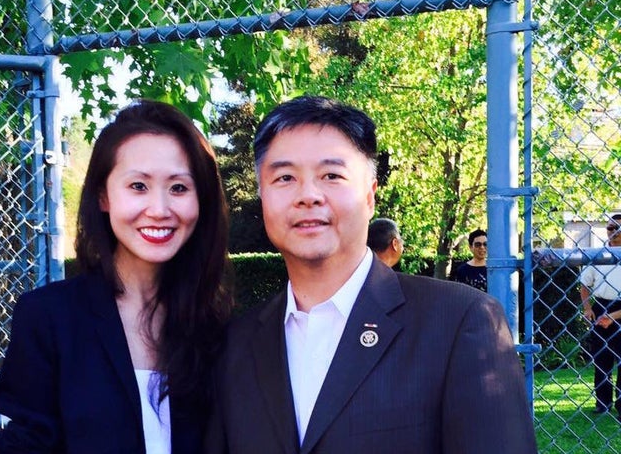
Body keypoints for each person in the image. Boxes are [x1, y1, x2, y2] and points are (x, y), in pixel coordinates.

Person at [206, 96, 537, 453]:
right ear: (262, 196)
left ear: (370, 196)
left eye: (331, 175)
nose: (308, 195)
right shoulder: (234, 346)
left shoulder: (460, 321)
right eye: (284, 177)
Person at [0, 100, 232, 454]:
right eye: (138, 186)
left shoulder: (216, 327)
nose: (160, 209)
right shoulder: (49, 318)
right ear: (104, 196)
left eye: (179, 188)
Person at [580, 214, 621, 417]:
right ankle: (602, 403)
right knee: (601, 358)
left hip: (619, 308)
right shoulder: (599, 255)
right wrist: (588, 308)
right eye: (610, 228)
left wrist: (613, 316)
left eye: (618, 228)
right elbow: (584, 285)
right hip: (601, 306)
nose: (614, 232)